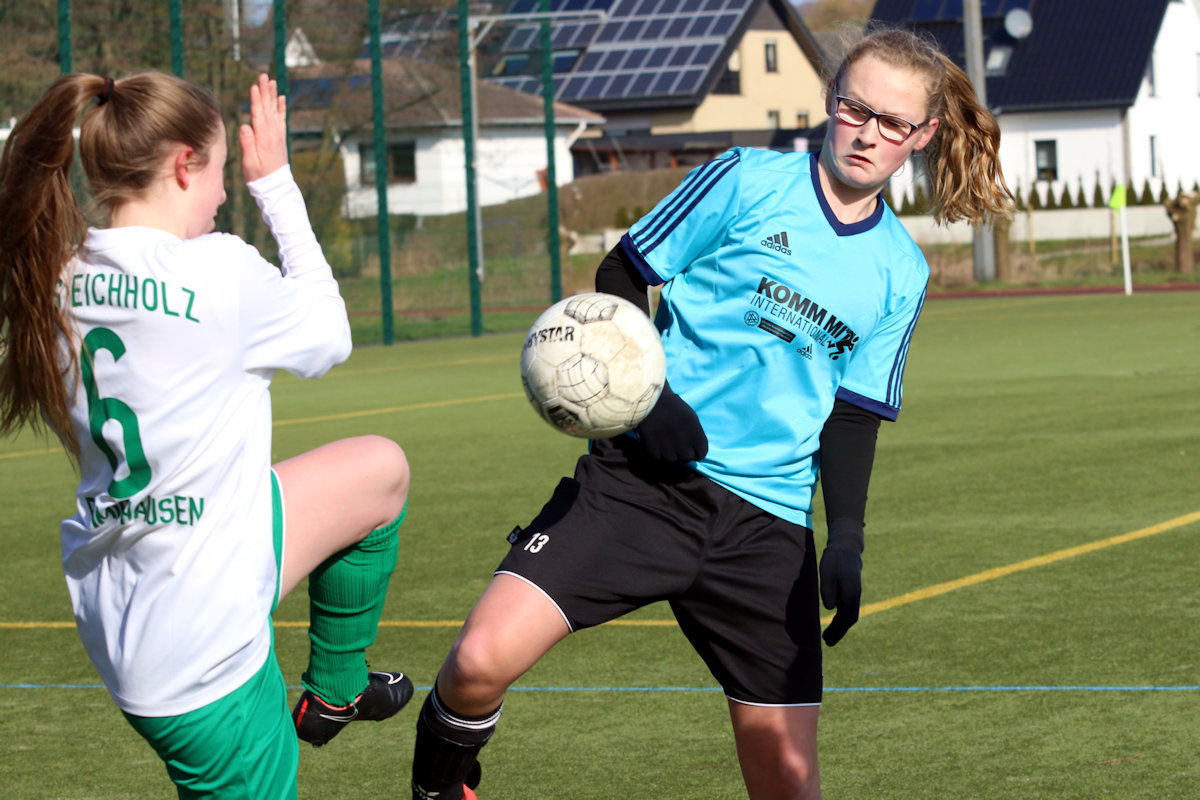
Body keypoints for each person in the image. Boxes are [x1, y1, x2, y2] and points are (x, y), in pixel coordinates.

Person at [409, 27, 1011, 800]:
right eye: (857, 108)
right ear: (831, 102)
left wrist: (848, 535)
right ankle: (438, 789)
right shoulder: (745, 179)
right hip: (642, 486)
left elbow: (854, 414)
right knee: (476, 662)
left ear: (923, 134)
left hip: (765, 533)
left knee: (789, 785)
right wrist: (649, 405)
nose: (869, 133)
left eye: (894, 122)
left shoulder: (901, 269)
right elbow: (623, 270)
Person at [0, 71, 415, 799]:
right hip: (196, 650)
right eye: (223, 172)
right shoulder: (219, 271)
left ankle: (336, 692)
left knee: (379, 472)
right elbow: (330, 338)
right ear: (184, 164)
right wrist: (277, 185)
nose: (226, 194)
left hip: (140, 588)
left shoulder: (58, 276)